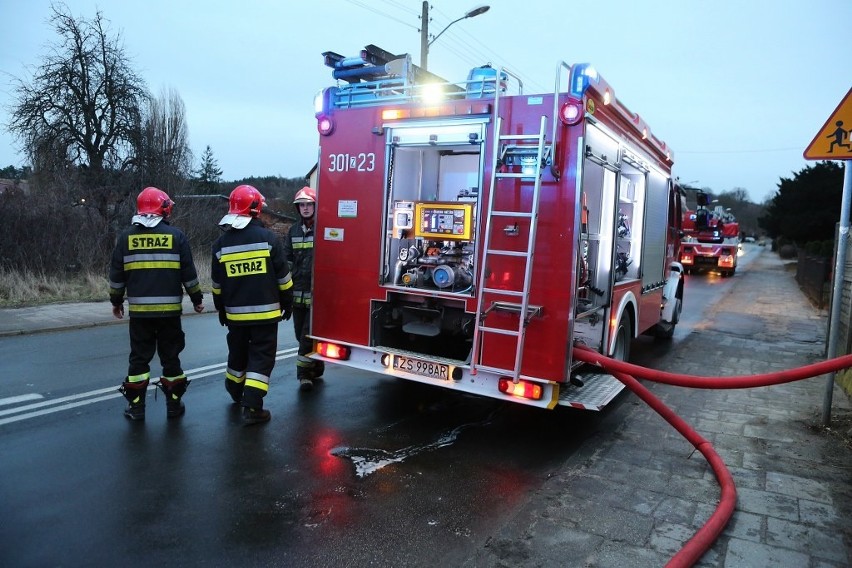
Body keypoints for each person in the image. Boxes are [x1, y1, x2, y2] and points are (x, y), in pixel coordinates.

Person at [110, 187, 204, 421]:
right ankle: (173, 405)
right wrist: (197, 299)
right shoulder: (176, 236)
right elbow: (189, 274)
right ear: (162, 208)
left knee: (139, 359)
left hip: (140, 314)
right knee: (170, 358)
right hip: (169, 313)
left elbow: (117, 275)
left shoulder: (125, 237)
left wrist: (116, 301)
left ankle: (137, 408)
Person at [211, 185, 294, 425]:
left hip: (236, 317)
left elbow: (217, 285)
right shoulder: (269, 239)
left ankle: (235, 391)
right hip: (266, 316)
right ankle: (253, 407)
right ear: (257, 208)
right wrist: (287, 303)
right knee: (261, 357)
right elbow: (283, 278)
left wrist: (221, 308)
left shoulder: (220, 245)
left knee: (237, 353)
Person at [284, 186, 325, 392]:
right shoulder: (292, 231)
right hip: (296, 294)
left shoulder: (324, 229)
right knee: (299, 334)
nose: (306, 208)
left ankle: (303, 375)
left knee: (306, 336)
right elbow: (287, 261)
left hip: (316, 293)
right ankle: (316, 363)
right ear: (297, 208)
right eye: (302, 205)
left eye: (309, 204)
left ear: (316, 206)